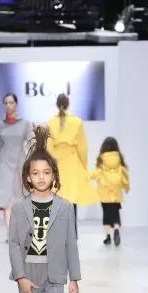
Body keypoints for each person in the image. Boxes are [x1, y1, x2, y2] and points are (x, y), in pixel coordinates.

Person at [8, 125, 80, 293]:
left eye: (46, 172)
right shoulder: (19, 208)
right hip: (28, 272)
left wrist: (75, 278)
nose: (41, 177)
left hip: (55, 273)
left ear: (54, 175)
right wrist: (20, 276)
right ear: (28, 177)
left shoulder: (65, 207)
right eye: (36, 173)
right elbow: (14, 244)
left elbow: (71, 242)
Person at [46, 94, 98, 234]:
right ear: (68, 105)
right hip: (73, 164)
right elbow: (82, 148)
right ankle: (72, 234)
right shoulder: (77, 122)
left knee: (57, 200)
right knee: (72, 200)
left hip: (57, 164)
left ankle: (59, 233)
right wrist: (84, 166)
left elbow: (48, 147)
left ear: (57, 105)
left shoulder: (51, 122)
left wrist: (49, 166)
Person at [0, 93, 32, 233]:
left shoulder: (25, 124)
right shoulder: (0, 126)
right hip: (5, 165)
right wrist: (2, 163)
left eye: (11, 102)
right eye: (6, 103)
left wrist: (30, 164)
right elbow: (0, 147)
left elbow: (31, 144)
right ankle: (10, 234)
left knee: (21, 199)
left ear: (16, 104)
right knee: (7, 200)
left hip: (20, 164)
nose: (8, 105)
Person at [90, 137, 130, 246]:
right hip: (116, 194)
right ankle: (116, 229)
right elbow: (124, 174)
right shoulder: (119, 159)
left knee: (106, 215)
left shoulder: (101, 159)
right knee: (115, 214)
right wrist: (126, 187)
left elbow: (96, 173)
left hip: (104, 194)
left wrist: (88, 176)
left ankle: (108, 237)